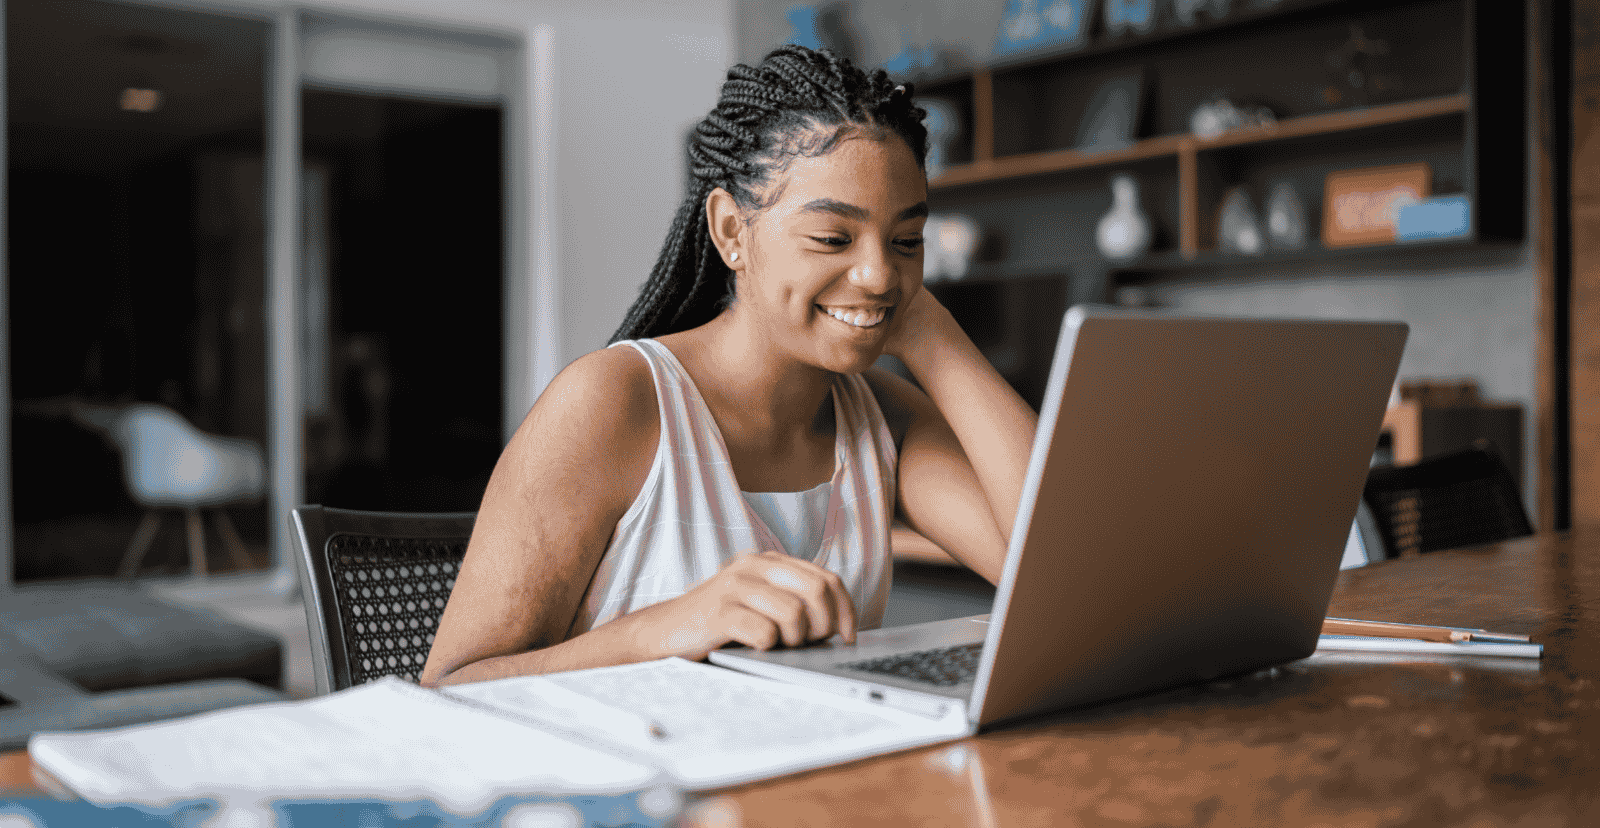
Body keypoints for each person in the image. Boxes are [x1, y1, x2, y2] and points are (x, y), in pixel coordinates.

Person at [420, 45, 1037, 687]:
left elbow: (1059, 577)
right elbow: (451, 687)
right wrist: (672, 627)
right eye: (832, 238)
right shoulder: (613, 400)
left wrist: (936, 338)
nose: (879, 274)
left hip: (810, 782)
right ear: (731, 232)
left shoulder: (884, 417)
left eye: (906, 241)